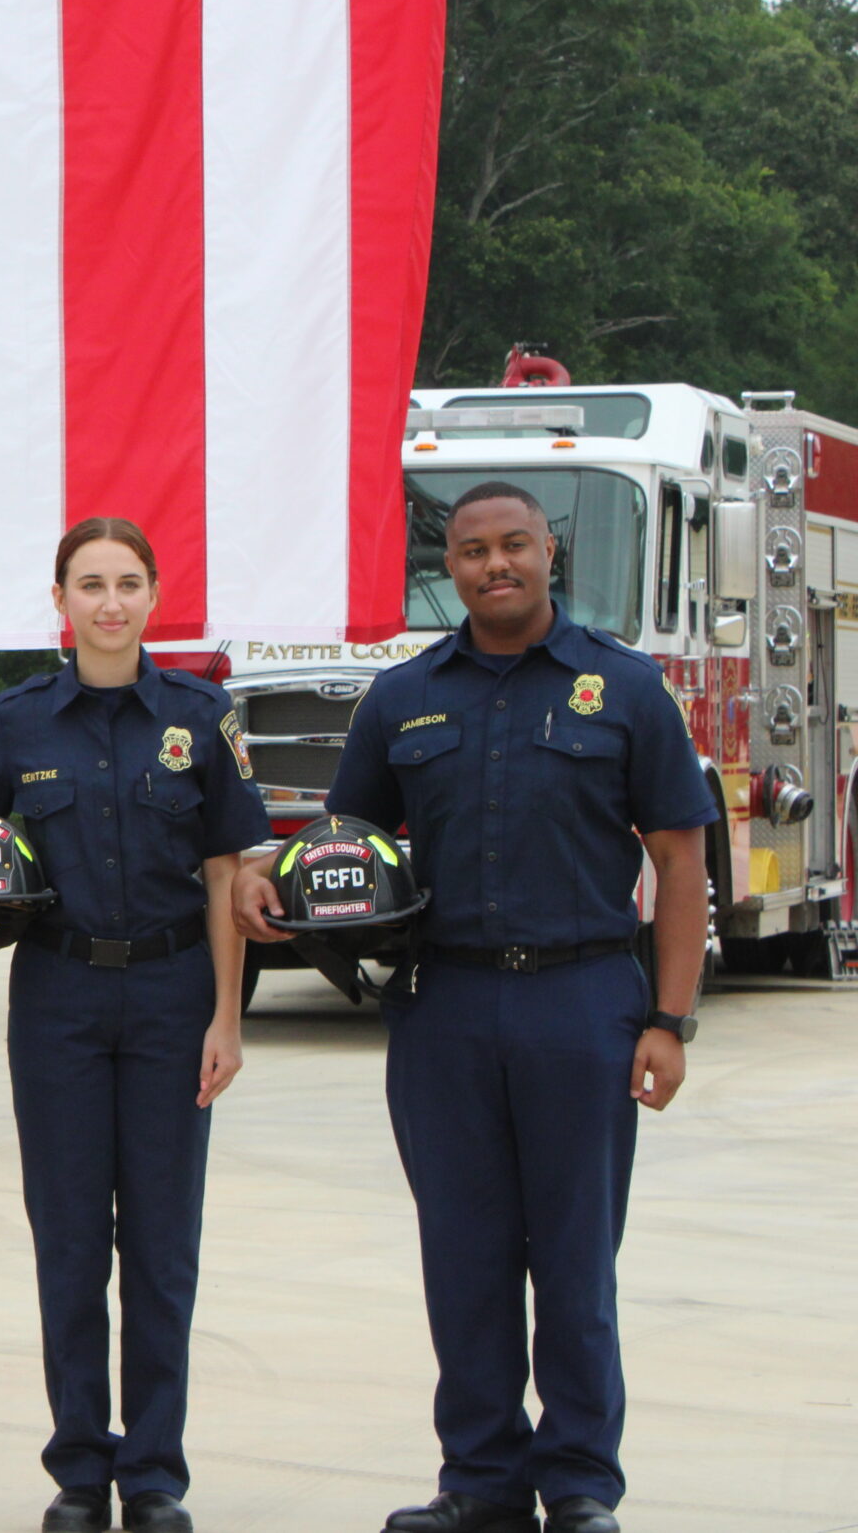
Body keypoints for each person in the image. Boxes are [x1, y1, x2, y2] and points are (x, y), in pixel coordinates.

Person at [236, 481, 712, 1533]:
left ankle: (581, 1482)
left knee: (575, 1261)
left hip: (583, 1001)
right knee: (464, 1256)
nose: (493, 565)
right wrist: (274, 880)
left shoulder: (623, 689)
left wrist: (666, 1021)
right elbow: (341, 842)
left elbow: (681, 862)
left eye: (513, 546)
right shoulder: (403, 698)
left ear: (551, 552)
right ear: (446, 568)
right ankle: (482, 1483)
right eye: (470, 551)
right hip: (441, 1009)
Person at [0, 518, 266, 1533]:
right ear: (59, 599)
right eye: (88, 584)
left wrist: (227, 1015)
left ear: (154, 594)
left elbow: (227, 874)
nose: (109, 603)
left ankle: (156, 1475)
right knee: (71, 1241)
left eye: (128, 583)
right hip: (58, 1003)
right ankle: (81, 1471)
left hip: (175, 996)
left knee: (163, 1244)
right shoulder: (19, 721)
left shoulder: (198, 714)